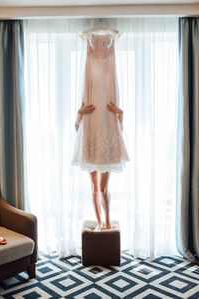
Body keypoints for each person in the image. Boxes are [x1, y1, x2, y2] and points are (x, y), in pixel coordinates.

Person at [71, 27, 130, 231]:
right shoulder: (88, 62)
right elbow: (76, 126)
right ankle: (98, 222)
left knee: (104, 188)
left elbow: (120, 127)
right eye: (97, 43)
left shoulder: (111, 61)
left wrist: (120, 113)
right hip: (91, 123)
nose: (100, 47)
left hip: (106, 121)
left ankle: (107, 221)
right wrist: (79, 113)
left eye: (103, 44)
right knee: (95, 187)